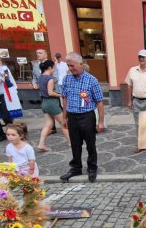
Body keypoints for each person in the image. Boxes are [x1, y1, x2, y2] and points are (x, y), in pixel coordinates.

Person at [60, 52, 105, 182]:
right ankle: (76, 167)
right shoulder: (66, 79)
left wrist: (100, 122)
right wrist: (64, 118)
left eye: (72, 65)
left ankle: (92, 168)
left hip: (87, 116)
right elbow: (65, 99)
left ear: (81, 64)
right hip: (72, 117)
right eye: (68, 66)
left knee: (90, 144)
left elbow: (100, 102)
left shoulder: (92, 80)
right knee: (75, 144)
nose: (70, 68)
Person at [126, 49, 146, 154]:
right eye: (139, 56)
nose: (141, 59)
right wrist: (129, 100)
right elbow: (129, 86)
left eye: (143, 57)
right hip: (136, 101)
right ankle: (141, 145)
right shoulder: (132, 70)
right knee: (138, 124)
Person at [36, 59, 70, 151]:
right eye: (53, 68)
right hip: (52, 103)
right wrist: (61, 94)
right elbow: (50, 93)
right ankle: (71, 142)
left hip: (44, 103)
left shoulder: (40, 77)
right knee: (64, 123)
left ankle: (41, 144)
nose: (54, 70)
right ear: (50, 68)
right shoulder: (49, 79)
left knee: (48, 124)